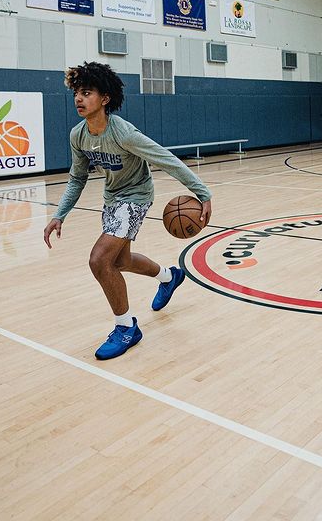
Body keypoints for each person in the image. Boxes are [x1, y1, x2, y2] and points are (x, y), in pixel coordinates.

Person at [43, 62, 212, 360]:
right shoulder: (78, 135)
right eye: (76, 94)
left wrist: (202, 193)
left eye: (87, 93)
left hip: (136, 196)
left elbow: (166, 159)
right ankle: (168, 277)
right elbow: (77, 177)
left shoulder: (124, 133)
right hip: (113, 198)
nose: (79, 99)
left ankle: (126, 327)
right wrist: (60, 214)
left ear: (105, 98)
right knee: (119, 260)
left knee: (99, 260)